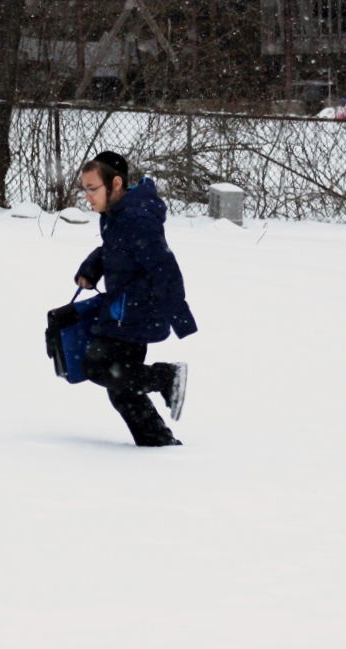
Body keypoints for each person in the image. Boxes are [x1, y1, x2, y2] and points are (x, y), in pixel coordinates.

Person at [74, 151, 197, 447]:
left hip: (136, 313)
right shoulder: (114, 216)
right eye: (85, 189)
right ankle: (158, 443)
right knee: (122, 390)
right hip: (123, 310)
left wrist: (179, 315)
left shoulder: (137, 219)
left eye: (93, 188)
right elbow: (112, 249)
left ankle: (166, 376)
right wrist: (92, 269)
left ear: (115, 183)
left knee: (98, 367)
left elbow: (164, 267)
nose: (88, 196)